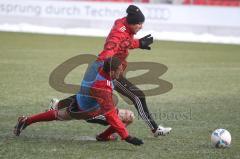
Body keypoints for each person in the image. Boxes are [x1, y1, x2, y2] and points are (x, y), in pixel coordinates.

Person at [79, 5, 172, 137]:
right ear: (132, 23)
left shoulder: (123, 23)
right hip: (108, 70)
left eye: (142, 23)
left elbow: (124, 42)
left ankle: (58, 106)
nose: (141, 26)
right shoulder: (119, 32)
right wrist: (107, 64)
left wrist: (139, 43)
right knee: (137, 96)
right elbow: (112, 45)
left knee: (86, 102)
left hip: (108, 69)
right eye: (139, 24)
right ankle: (155, 129)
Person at [14, 57, 144, 146]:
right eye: (120, 71)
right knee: (129, 117)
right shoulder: (102, 87)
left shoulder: (99, 67)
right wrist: (127, 137)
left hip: (80, 98)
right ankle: (103, 137)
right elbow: (110, 114)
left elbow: (108, 58)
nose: (121, 73)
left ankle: (26, 120)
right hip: (88, 111)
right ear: (111, 71)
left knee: (58, 115)